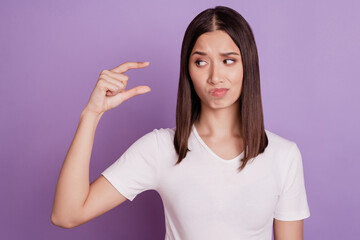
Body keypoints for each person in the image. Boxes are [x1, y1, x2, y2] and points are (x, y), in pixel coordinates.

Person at [51, 5, 310, 240]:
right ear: (188, 70)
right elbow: (67, 215)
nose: (215, 76)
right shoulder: (161, 148)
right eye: (201, 62)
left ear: (247, 66)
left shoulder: (283, 155)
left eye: (228, 60)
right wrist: (91, 114)